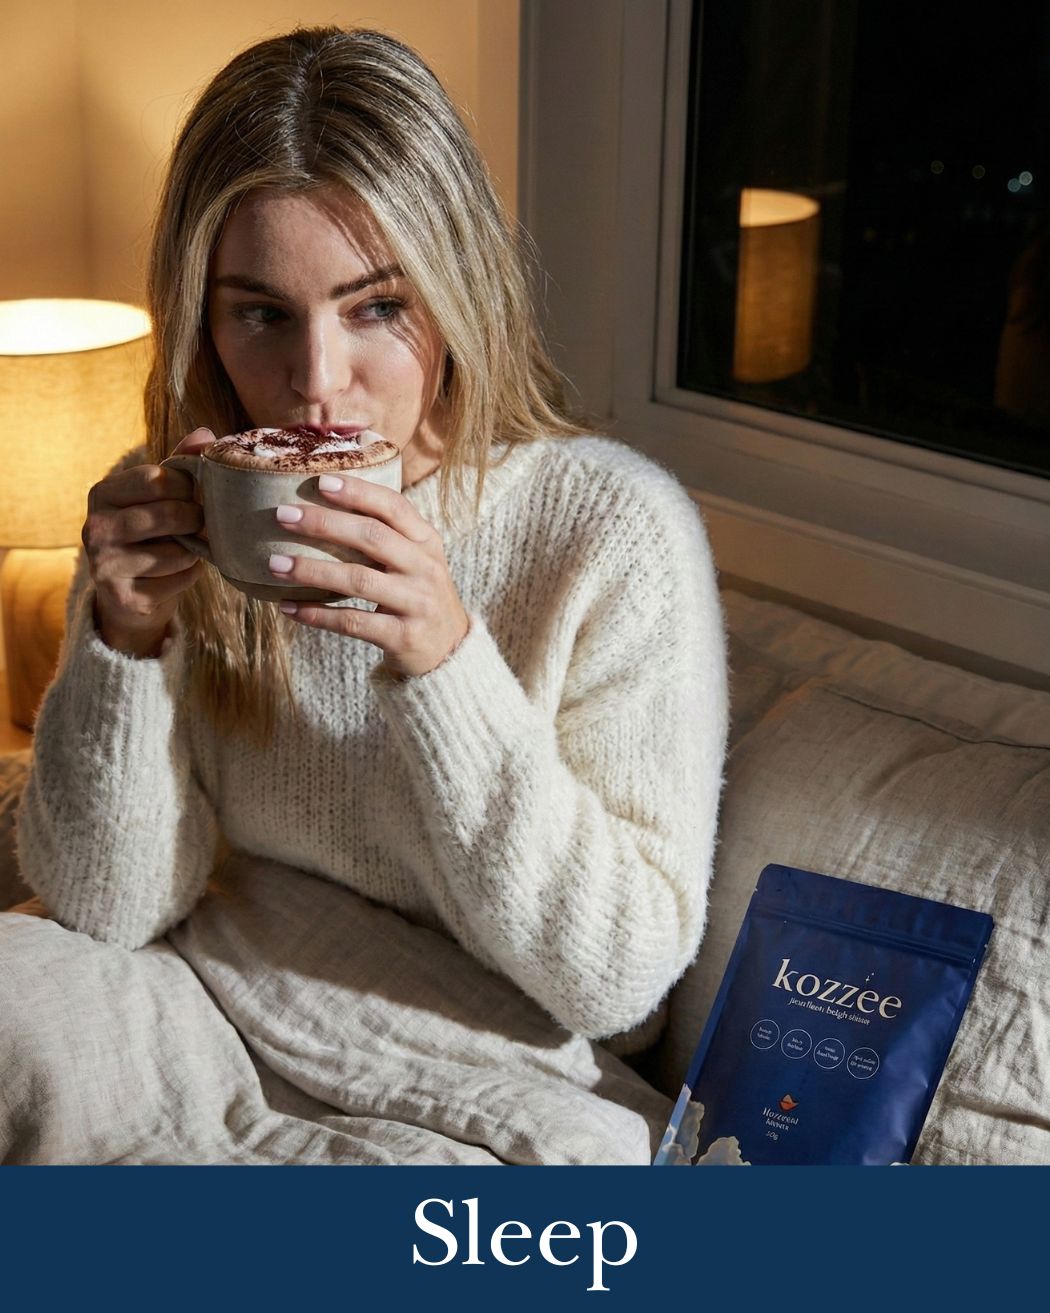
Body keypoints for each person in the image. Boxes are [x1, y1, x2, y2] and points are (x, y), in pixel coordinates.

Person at [1, 27, 728, 1165]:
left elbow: (618, 980)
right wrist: (123, 640)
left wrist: (446, 661)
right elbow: (112, 902)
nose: (318, 382)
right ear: (205, 319)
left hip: (474, 1067)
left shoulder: (612, 530)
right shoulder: (202, 507)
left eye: (377, 306)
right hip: (206, 986)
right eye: (262, 314)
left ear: (457, 290)